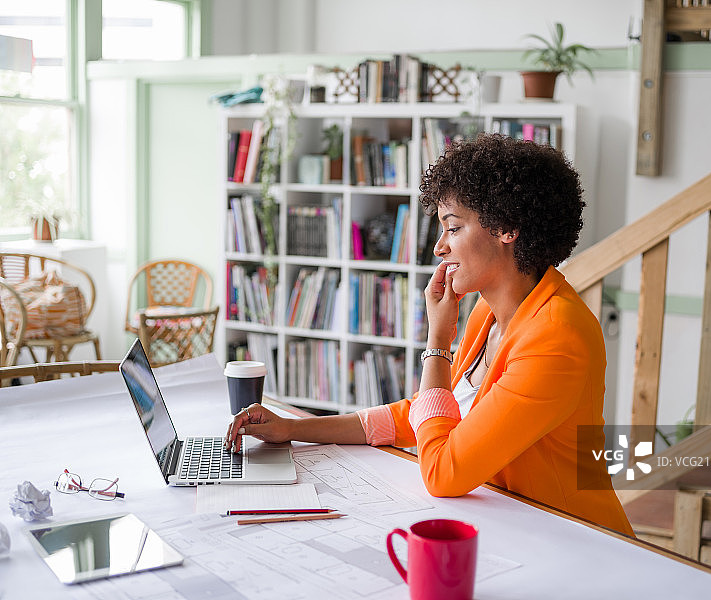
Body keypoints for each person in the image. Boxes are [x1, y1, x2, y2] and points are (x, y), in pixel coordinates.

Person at [225, 133, 634, 536]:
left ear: (507, 228)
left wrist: (437, 343)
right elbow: (424, 413)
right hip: (514, 526)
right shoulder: (488, 313)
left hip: (577, 540)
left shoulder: (557, 336)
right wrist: (293, 429)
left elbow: (443, 472)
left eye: (453, 228)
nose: (439, 248)